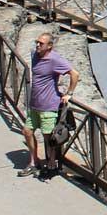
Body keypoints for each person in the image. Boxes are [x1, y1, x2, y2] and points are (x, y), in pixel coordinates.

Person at [20, 33, 79, 177]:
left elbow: (75, 74)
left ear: (50, 46)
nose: (37, 45)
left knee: (48, 136)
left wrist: (69, 94)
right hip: (34, 104)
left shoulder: (55, 59)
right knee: (27, 131)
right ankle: (34, 162)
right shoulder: (35, 54)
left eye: (41, 43)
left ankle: (52, 162)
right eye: (37, 42)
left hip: (49, 104)